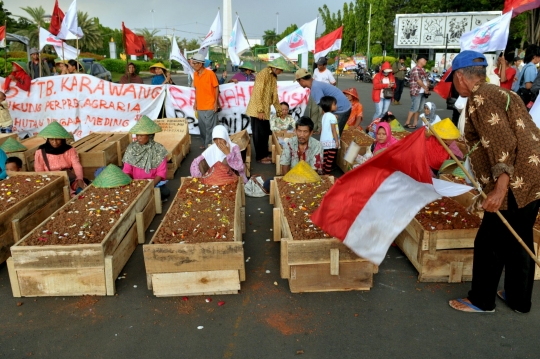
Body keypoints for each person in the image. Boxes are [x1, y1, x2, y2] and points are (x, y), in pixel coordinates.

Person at [445, 50, 540, 314]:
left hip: (514, 184)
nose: (454, 85)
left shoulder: (480, 98)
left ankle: (481, 300)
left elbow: (503, 143)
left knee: (489, 242)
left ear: (461, 77)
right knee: (518, 237)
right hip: (533, 176)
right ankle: (518, 299)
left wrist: (499, 189)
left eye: (453, 79)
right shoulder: (503, 92)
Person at [246, 57, 286, 164]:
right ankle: (260, 157)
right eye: (280, 70)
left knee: (264, 133)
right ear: (275, 67)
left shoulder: (273, 76)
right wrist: (260, 110)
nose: (281, 72)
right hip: (257, 110)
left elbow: (274, 94)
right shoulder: (263, 74)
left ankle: (264, 153)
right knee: (259, 134)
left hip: (265, 110)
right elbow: (258, 93)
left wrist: (279, 110)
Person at [122, 116, 170, 201]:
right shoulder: (131, 148)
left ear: (150, 135)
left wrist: (149, 187)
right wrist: (132, 184)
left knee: (164, 192)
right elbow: (127, 170)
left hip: (153, 183)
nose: (138, 138)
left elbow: (161, 173)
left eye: (141, 135)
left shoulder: (159, 149)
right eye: (137, 135)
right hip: (135, 183)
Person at [295, 68, 351, 136]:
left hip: (341, 109)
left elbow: (324, 107)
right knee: (332, 134)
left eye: (298, 82)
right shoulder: (315, 84)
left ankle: (335, 145)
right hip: (340, 106)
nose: (299, 84)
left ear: (301, 80)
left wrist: (325, 122)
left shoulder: (315, 88)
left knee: (334, 135)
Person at [34, 121, 86, 194]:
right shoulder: (40, 151)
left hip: (68, 178)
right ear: (48, 140)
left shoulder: (70, 149)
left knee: (82, 191)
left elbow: (76, 165)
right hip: (50, 181)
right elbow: (39, 170)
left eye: (58, 139)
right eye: (52, 139)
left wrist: (80, 179)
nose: (55, 142)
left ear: (62, 139)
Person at [191, 53, 220, 149]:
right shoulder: (195, 74)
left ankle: (209, 145)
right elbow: (197, 89)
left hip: (210, 104)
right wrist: (195, 102)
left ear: (200, 64)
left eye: (195, 63)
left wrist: (216, 103)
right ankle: (204, 143)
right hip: (200, 105)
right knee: (202, 126)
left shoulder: (210, 73)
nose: (193, 65)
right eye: (193, 63)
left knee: (209, 127)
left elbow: (216, 88)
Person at [403, 54, 430, 129]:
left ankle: (415, 123)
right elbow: (418, 81)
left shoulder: (423, 70)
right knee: (414, 107)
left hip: (423, 92)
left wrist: (427, 87)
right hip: (416, 91)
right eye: (424, 60)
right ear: (419, 60)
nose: (425, 61)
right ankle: (407, 122)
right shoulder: (415, 69)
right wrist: (425, 88)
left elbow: (427, 80)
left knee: (419, 108)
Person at [319, 96, 340, 174]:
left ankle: (323, 172)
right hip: (331, 142)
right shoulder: (332, 117)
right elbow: (333, 130)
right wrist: (337, 141)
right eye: (334, 104)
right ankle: (327, 174)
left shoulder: (325, 115)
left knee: (325, 158)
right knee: (330, 159)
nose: (336, 106)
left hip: (324, 141)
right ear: (329, 106)